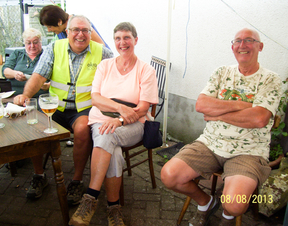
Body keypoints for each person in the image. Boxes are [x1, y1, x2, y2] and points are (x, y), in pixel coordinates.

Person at [161, 28, 282, 226]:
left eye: (249, 40)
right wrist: (241, 106)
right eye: (238, 41)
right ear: (233, 47)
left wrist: (217, 113)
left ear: (260, 46)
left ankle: (227, 217)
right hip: (210, 143)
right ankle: (206, 202)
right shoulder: (222, 72)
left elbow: (260, 118)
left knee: (234, 204)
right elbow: (201, 105)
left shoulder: (270, 79)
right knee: (169, 175)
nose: (243, 45)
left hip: (249, 151)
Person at [13, 15, 113, 203]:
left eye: (85, 30)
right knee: (34, 125)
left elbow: (118, 77)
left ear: (91, 34)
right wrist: (26, 95)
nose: (80, 34)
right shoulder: (53, 48)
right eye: (76, 30)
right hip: (55, 107)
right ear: (67, 32)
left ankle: (76, 180)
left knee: (82, 129)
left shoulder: (103, 53)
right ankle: (39, 176)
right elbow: (38, 76)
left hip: (83, 109)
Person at [69, 22, 158, 226]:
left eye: (126, 37)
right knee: (113, 149)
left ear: (136, 40)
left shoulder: (146, 70)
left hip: (134, 124)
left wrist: (119, 120)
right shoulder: (105, 65)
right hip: (101, 119)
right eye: (117, 38)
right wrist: (120, 109)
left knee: (107, 135)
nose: (122, 42)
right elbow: (96, 99)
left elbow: (143, 108)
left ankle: (90, 198)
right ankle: (113, 208)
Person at [2, 28, 49, 96]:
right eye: (28, 43)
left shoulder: (47, 55)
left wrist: (48, 85)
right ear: (24, 43)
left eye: (35, 42)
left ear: (41, 42)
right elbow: (5, 71)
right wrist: (15, 74)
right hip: (15, 95)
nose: (32, 46)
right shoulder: (17, 53)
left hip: (40, 96)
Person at [39, 4, 110, 49]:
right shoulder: (60, 31)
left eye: (50, 27)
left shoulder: (79, 24)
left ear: (59, 22)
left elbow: (102, 46)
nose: (48, 30)